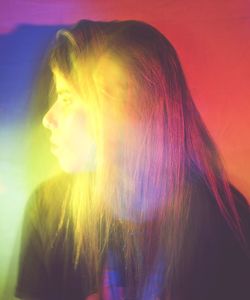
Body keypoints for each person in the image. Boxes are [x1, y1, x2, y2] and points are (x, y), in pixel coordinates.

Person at [15, 20, 250, 300]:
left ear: (134, 105)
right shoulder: (49, 209)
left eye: (66, 99)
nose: (48, 119)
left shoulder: (225, 218)